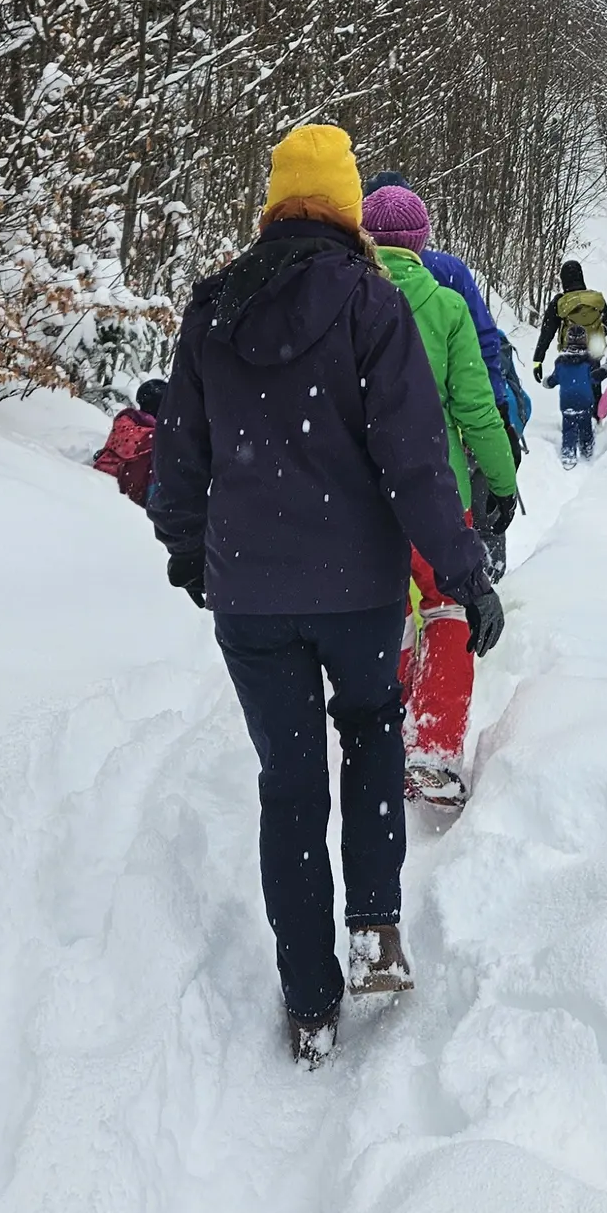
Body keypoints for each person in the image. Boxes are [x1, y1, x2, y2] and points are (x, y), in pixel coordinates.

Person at [149, 125, 504, 1068]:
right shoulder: (372, 308)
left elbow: (178, 458)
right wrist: (463, 573)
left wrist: (193, 554)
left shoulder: (214, 308)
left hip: (252, 600)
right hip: (358, 591)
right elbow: (417, 465)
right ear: (348, 207)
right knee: (372, 740)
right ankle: (374, 929)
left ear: (274, 202)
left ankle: (309, 1002)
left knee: (291, 785)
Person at [360, 181, 519, 808]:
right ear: (422, 243)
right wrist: (502, 484)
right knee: (448, 604)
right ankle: (432, 749)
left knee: (389, 608)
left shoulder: (351, 301)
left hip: (362, 494)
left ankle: (384, 739)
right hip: (437, 487)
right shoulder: (448, 309)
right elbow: (478, 412)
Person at [365, 170, 525, 580]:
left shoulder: (347, 285)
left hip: (367, 473)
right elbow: (486, 345)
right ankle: (481, 579)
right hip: (444, 450)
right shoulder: (449, 275)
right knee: (455, 554)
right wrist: (498, 410)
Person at [543, 328, 607, 466]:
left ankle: (568, 455)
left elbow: (554, 380)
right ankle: (587, 452)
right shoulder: (589, 362)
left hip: (567, 402)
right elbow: (595, 378)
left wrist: (547, 382)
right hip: (585, 402)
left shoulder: (561, 362)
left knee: (568, 429)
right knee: (585, 427)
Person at [532, 259, 607, 376]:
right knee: (593, 384)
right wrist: (594, 335)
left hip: (569, 355)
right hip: (594, 355)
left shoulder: (560, 302)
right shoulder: (595, 299)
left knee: (571, 388)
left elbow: (547, 332)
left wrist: (538, 360)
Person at [93, 376, 165, 502]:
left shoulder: (133, 422)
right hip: (114, 491)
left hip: (108, 484)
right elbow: (139, 442)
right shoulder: (137, 426)